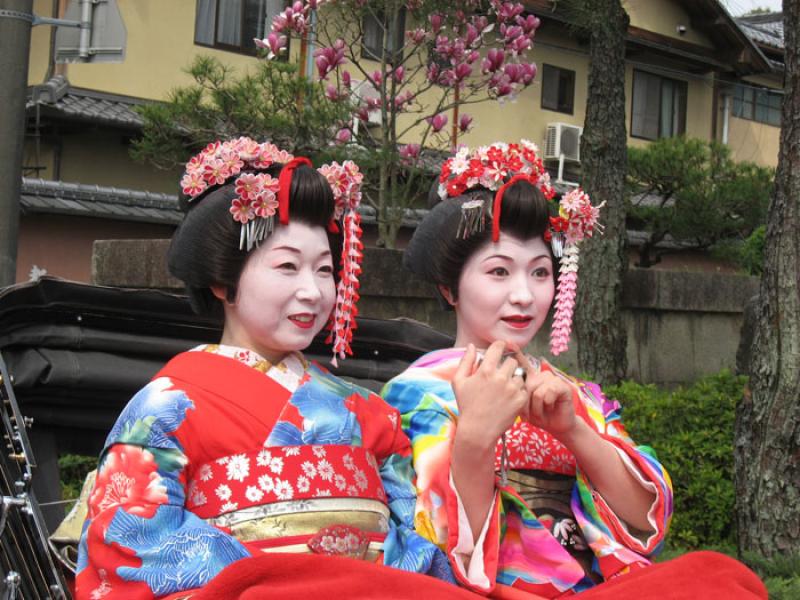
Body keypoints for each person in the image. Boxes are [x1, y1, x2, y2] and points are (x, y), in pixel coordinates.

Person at [75, 138, 470, 600]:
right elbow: (126, 548)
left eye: (324, 270)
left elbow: (417, 544)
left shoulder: (368, 413)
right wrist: (280, 583)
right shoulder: (163, 410)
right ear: (223, 280)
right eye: (287, 266)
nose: (313, 291)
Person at [382, 141, 767, 599]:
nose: (524, 295)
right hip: (492, 591)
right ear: (450, 289)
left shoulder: (574, 394)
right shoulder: (416, 392)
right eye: (499, 272)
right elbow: (429, 544)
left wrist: (575, 433)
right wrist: (474, 441)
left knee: (717, 575)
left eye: (540, 273)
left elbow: (645, 520)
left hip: (595, 588)